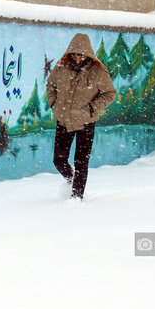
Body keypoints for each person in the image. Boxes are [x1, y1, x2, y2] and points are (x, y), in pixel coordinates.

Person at [46, 33, 116, 200]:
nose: (78, 59)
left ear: (88, 54)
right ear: (70, 53)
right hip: (63, 120)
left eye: (82, 55)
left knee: (81, 163)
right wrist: (54, 105)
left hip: (86, 122)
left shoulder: (98, 72)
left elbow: (110, 93)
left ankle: (76, 198)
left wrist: (93, 108)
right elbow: (51, 85)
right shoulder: (60, 68)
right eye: (75, 55)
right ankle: (71, 181)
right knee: (59, 160)